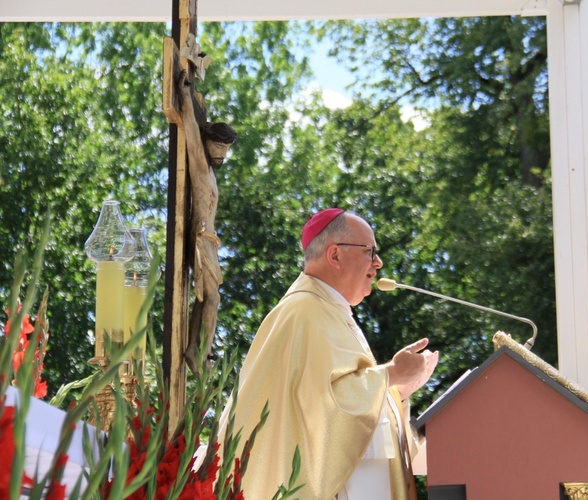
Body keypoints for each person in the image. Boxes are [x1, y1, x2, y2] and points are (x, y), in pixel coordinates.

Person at [216, 208, 439, 499]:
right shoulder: (303, 313)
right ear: (335, 255)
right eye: (369, 251)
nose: (378, 263)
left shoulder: (331, 312)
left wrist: (396, 392)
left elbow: (347, 396)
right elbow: (322, 405)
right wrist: (392, 373)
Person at [178, 70, 238, 373]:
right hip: (201, 237)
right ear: (207, 142)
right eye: (218, 147)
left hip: (210, 240)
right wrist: (186, 98)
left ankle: (195, 349)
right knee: (212, 298)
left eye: (226, 149)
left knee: (207, 299)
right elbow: (189, 130)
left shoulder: (212, 173)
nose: (222, 154)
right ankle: (200, 353)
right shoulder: (200, 167)